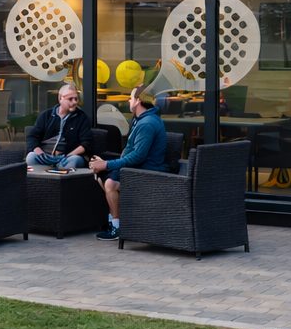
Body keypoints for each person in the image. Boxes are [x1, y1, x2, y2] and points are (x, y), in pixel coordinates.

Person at [88, 87, 179, 240]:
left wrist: (107, 164)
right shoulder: (140, 119)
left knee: (110, 183)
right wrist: (104, 164)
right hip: (137, 167)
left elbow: (138, 156)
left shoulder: (147, 123)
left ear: (138, 101)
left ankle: (117, 227)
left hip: (148, 171)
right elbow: (131, 152)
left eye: (131, 98)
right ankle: (117, 220)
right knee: (100, 175)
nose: (128, 100)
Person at [24, 82, 91, 170]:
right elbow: (32, 136)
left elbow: (86, 143)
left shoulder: (81, 117)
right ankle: (49, 171)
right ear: (60, 99)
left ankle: (52, 170)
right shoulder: (46, 115)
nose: (74, 102)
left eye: (76, 99)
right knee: (31, 157)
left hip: (67, 156)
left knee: (74, 160)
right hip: (45, 156)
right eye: (70, 99)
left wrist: (69, 155)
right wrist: (39, 151)